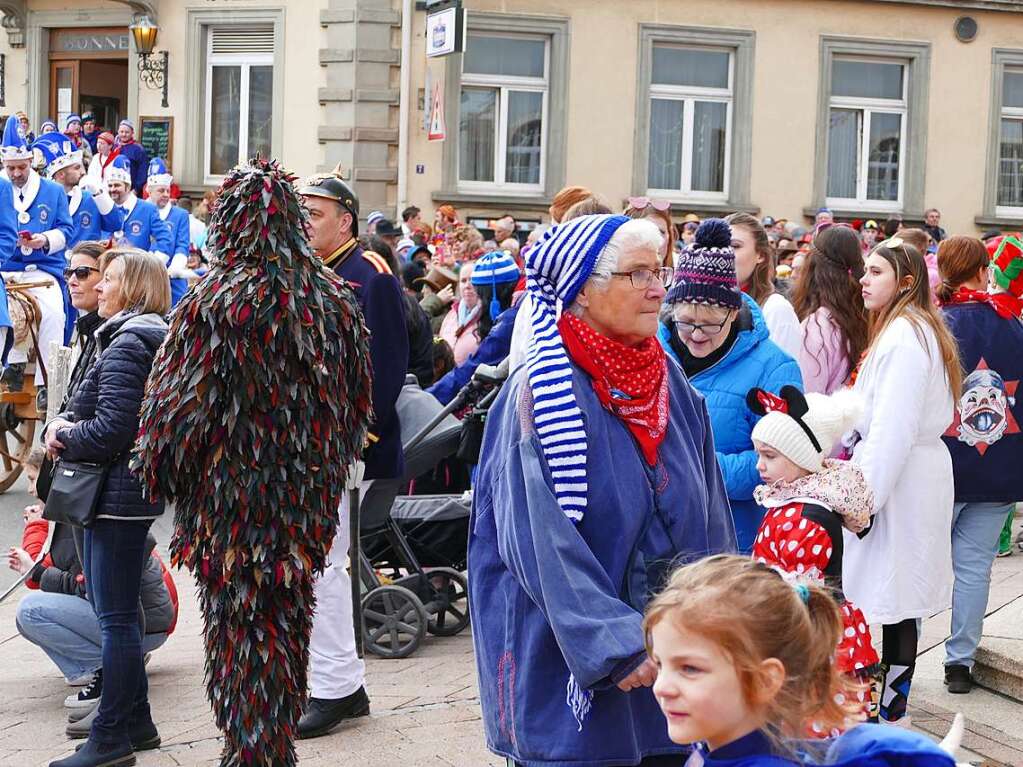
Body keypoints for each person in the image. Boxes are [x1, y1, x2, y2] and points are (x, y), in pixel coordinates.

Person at [470, 214, 735, 766]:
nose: (659, 288)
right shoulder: (539, 396)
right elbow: (540, 545)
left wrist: (725, 615)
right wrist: (616, 643)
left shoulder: (670, 383)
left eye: (658, 270)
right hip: (576, 656)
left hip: (669, 658)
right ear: (581, 292)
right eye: (636, 274)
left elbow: (710, 514)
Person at [133, 160, 373, 766]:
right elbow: (354, 409)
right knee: (289, 626)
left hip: (229, 509)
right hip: (304, 508)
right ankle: (274, 747)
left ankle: (250, 752)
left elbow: (175, 417)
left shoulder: (211, 304)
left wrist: (158, 477)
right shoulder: (335, 302)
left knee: (239, 632)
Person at [644, 555, 958, 767]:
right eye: (660, 664)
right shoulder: (712, 746)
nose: (662, 687)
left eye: (689, 668)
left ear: (766, 679)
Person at [44, 249, 169, 767]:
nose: (98, 287)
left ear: (133, 288)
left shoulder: (128, 341)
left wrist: (65, 434)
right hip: (121, 494)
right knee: (116, 616)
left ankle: (111, 736)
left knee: (115, 620)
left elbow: (113, 430)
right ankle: (137, 723)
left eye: (110, 279)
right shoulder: (132, 335)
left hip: (116, 496)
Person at [297, 167, 407, 738]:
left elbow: (385, 372)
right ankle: (343, 682)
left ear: (345, 221)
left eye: (314, 213)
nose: (304, 223)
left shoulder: (371, 276)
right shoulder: (308, 272)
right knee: (318, 567)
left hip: (343, 449)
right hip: (309, 445)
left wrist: (352, 439)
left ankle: (335, 687)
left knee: (324, 569)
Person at [843, 236, 961, 725]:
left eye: (875, 272)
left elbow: (893, 427)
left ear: (906, 283)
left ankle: (890, 713)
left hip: (902, 480)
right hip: (907, 475)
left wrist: (863, 499)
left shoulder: (906, 337)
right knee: (893, 604)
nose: (864, 281)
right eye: (864, 271)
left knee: (893, 604)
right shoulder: (905, 330)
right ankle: (889, 709)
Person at [659, 219, 803, 552]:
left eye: (710, 326)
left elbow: (784, 464)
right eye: (686, 323)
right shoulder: (652, 352)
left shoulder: (774, 367)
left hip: (734, 542)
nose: (696, 335)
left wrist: (690, 466)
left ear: (733, 313)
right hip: (661, 543)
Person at [746, 386, 879, 716]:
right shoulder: (789, 502)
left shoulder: (807, 517)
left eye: (770, 456)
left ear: (803, 458)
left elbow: (796, 590)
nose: (760, 465)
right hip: (801, 627)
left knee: (817, 722)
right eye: (759, 454)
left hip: (813, 636)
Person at [935, 236, 1023, 694]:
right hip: (998, 470)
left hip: (941, 470)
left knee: (921, 564)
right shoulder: (1013, 324)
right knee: (975, 569)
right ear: (983, 270)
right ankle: (959, 663)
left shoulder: (934, 325)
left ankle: (899, 655)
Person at [0, 115, 73, 385]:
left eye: (21, 167)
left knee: (54, 313)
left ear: (31, 161)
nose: (16, 174)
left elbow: (67, 231)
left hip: (41, 272)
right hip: (5, 271)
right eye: (11, 168)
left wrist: (42, 239)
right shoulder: (0, 188)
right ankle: (12, 364)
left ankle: (47, 383)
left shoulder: (52, 191)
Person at [427, 251, 519, 405]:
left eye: (482, 297)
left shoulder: (510, 321)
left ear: (493, 296)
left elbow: (473, 368)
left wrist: (427, 399)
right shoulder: (516, 310)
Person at [791, 225, 868, 395]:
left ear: (813, 268)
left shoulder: (815, 329)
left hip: (828, 418)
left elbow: (809, 404)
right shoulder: (866, 315)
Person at [725, 212, 801, 359]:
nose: (725, 253)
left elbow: (785, 377)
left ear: (760, 255)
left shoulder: (776, 310)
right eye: (720, 245)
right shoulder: (706, 306)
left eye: (735, 246)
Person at [33, 130, 121, 249]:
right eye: (77, 168)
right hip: (54, 265)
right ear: (61, 174)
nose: (83, 172)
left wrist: (100, 194)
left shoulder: (90, 197)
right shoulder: (42, 200)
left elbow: (115, 225)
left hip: (86, 264)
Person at [104, 156, 172, 261]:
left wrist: (152, 260)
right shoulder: (104, 209)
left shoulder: (147, 209)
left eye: (117, 185)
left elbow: (166, 238)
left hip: (138, 271)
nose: (112, 189)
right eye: (110, 186)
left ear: (127, 187)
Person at [146, 158, 193, 305]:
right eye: (161, 190)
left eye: (168, 190)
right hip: (144, 275)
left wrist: (176, 267)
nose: (166, 194)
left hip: (172, 277)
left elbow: (182, 245)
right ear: (150, 191)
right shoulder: (141, 211)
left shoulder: (180, 215)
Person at [438, 261, 481, 365]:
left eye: (472, 280)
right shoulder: (451, 314)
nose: (467, 285)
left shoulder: (487, 317)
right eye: (463, 281)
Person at [624, 196, 676, 267]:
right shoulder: (611, 275)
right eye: (647, 232)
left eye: (661, 232)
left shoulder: (678, 275)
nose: (658, 241)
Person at [113, 120, 148, 195]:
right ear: (118, 132)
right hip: (115, 188)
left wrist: (136, 190)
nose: (124, 134)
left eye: (127, 132)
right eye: (121, 132)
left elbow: (143, 171)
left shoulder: (138, 149)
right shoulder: (114, 147)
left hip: (132, 191)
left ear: (132, 133)